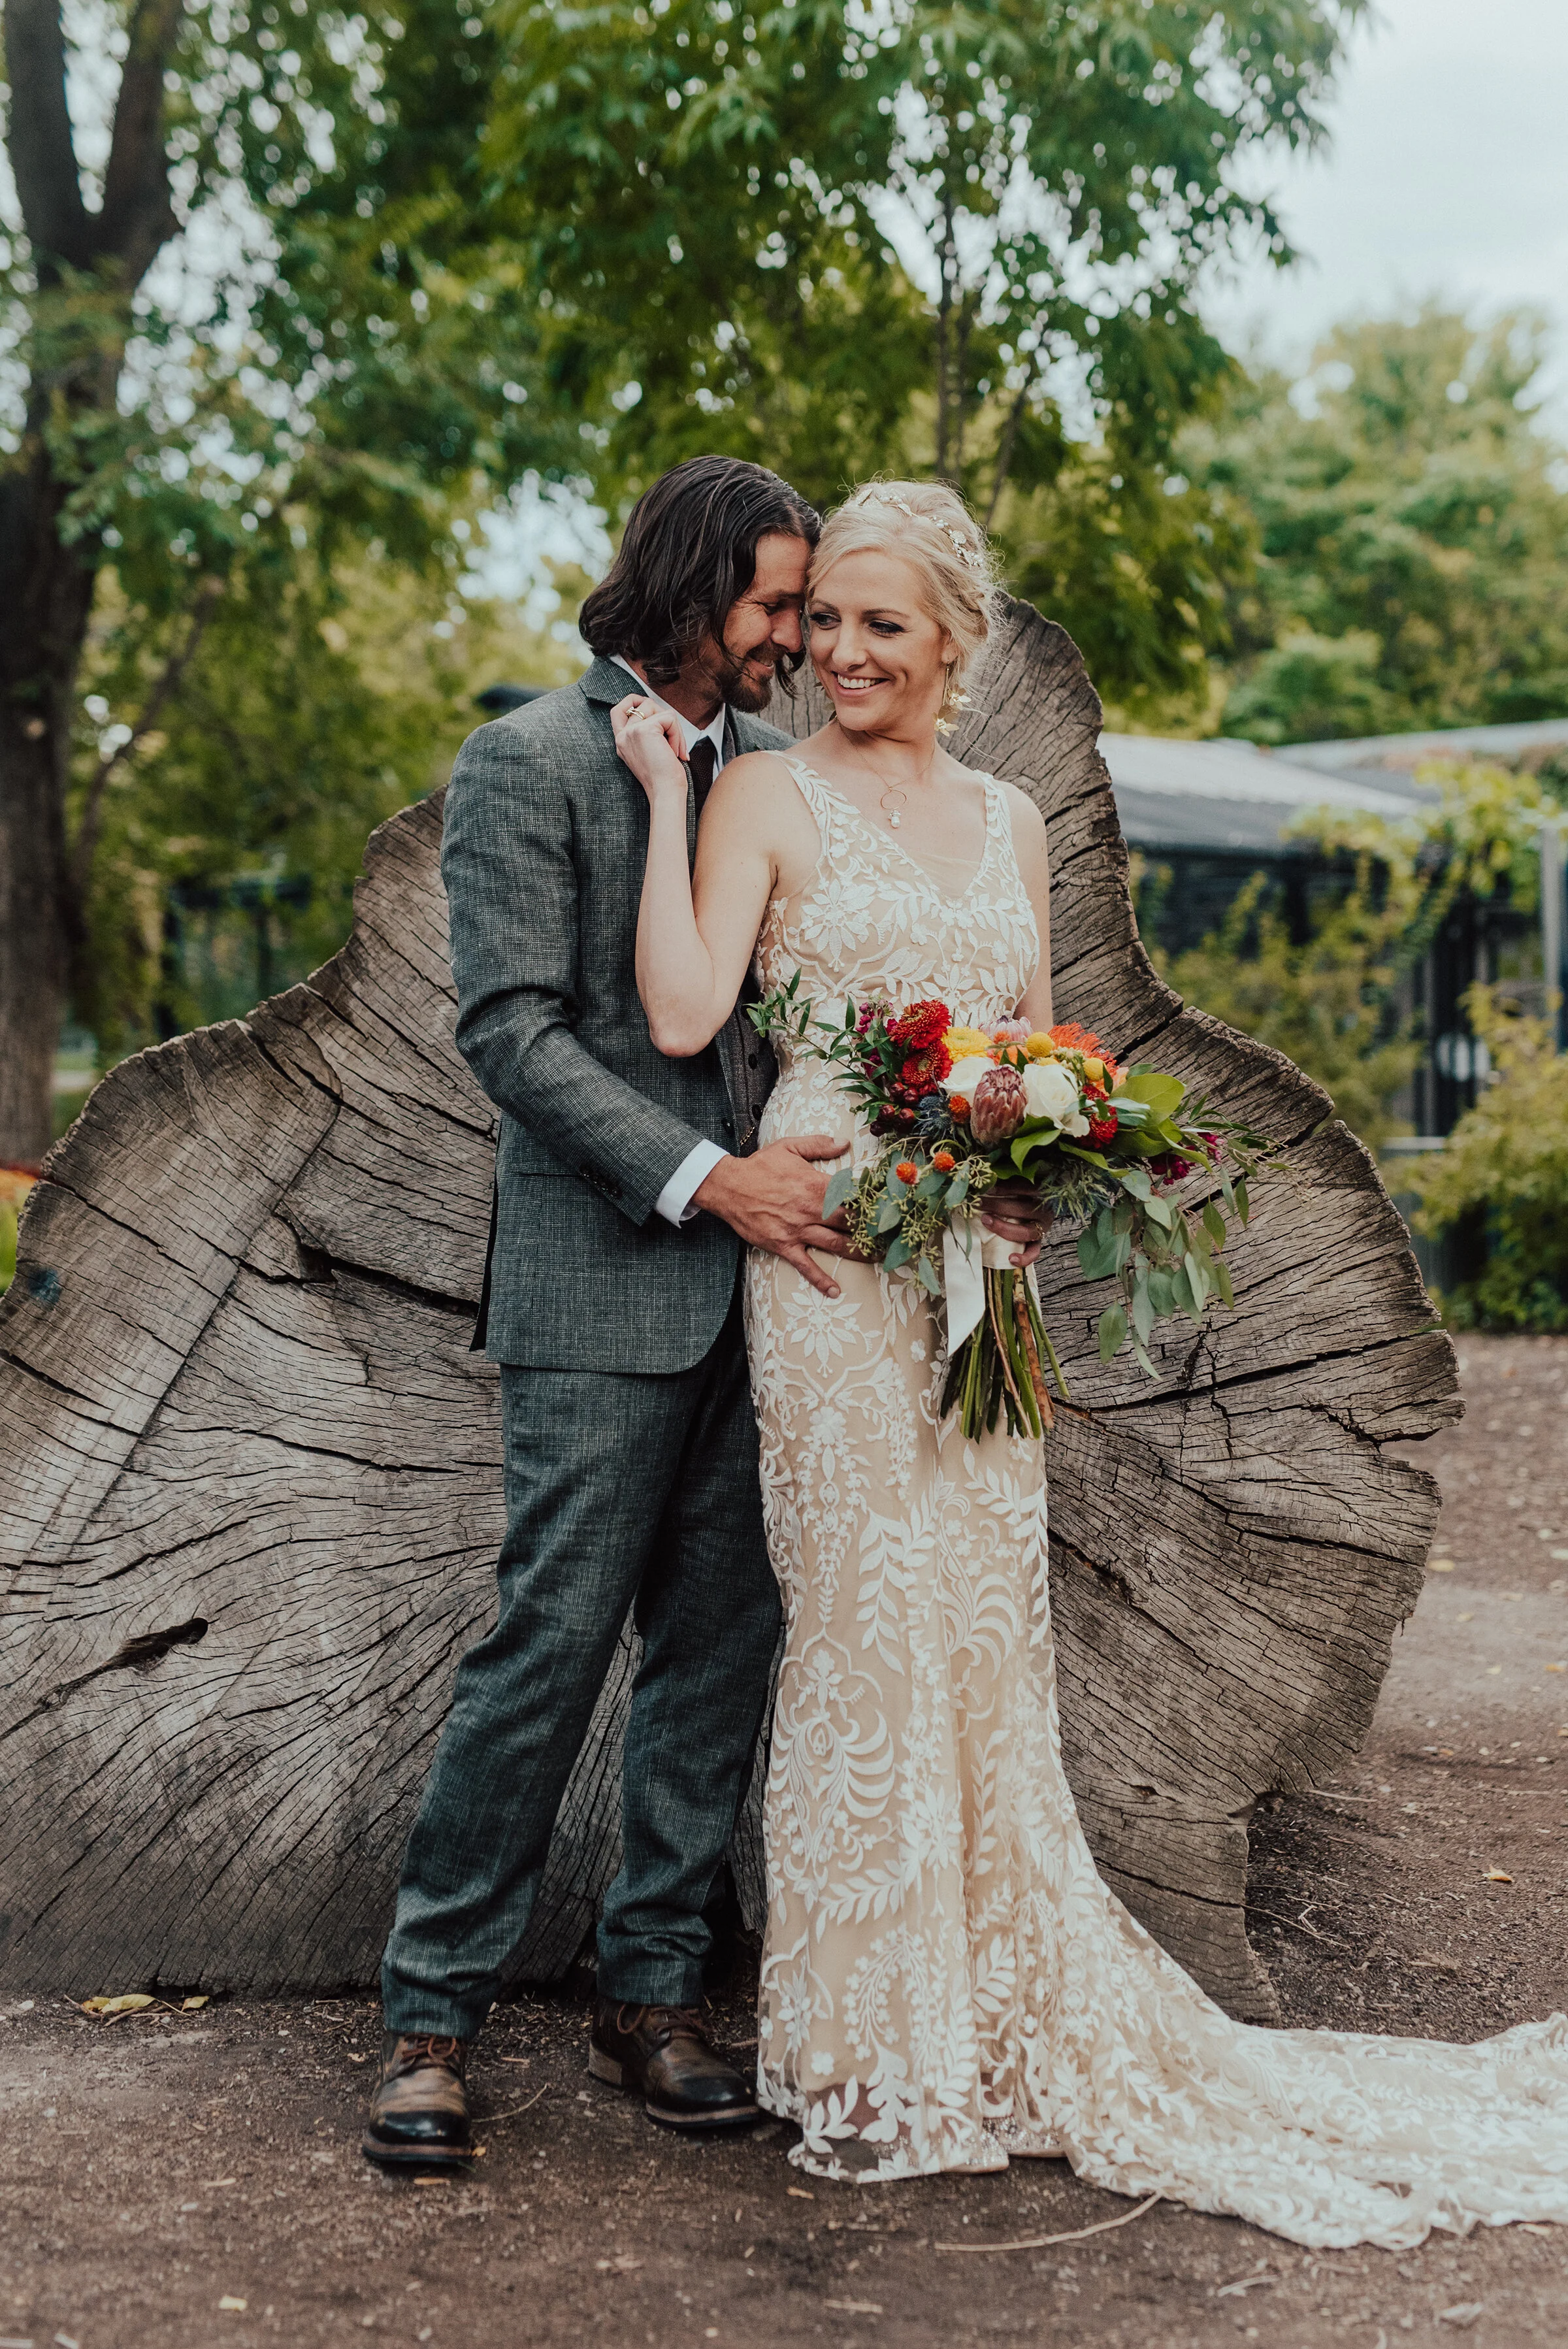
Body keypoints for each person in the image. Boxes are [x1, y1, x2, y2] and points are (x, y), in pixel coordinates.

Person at [612, 478, 1568, 2244]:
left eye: (881, 626)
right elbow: (682, 1013)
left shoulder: (1001, 818)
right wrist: (670, 801)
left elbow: (1037, 1036)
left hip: (982, 1263)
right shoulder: (757, 786)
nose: (840, 653)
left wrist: (1039, 1161)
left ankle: (999, 2016)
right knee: (868, 1619)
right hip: (829, 1265)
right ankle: (874, 2047)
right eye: (825, 623)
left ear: (955, 641)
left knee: (981, 1621)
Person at [363, 455, 1044, 2169]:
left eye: (818, 611)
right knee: (547, 1650)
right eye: (776, 606)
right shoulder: (520, 761)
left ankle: (656, 1991)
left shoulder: (774, 775)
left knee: (719, 1663)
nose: (797, 639)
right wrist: (702, 1178)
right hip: (613, 1286)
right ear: (693, 590)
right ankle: (427, 2017)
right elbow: (514, 1036)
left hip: (805, 1290)